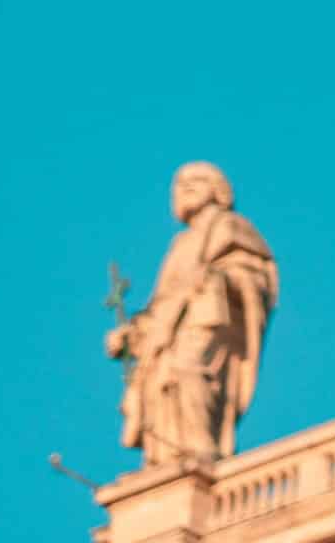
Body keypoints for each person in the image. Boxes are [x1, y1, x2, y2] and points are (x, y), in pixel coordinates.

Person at [106, 161, 279, 466]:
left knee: (189, 369)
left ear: (217, 190)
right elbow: (161, 303)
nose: (184, 188)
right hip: (171, 329)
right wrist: (132, 332)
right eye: (178, 184)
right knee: (164, 384)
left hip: (209, 316)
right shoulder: (181, 242)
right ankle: (169, 457)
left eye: (195, 181)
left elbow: (257, 275)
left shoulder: (230, 226)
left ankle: (198, 447)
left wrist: (219, 278)